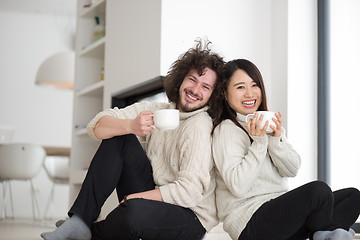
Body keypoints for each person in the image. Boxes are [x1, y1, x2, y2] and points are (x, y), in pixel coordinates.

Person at [41, 39, 225, 240]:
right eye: (192, 79)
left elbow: (189, 191)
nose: (195, 90)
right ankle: (80, 221)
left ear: (212, 95)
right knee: (119, 137)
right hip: (153, 199)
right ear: (181, 79)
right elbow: (95, 126)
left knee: (132, 212)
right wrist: (130, 126)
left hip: (191, 216)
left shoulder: (199, 125)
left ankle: (86, 233)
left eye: (205, 87)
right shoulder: (158, 111)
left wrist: (136, 198)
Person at [211, 58, 360, 240]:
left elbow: (292, 169)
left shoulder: (267, 124)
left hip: (279, 215)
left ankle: (320, 234)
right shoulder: (226, 130)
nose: (250, 93)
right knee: (319, 192)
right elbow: (238, 185)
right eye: (240, 87)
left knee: (353, 196)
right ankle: (323, 234)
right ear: (225, 94)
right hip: (250, 222)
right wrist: (258, 144)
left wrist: (275, 139)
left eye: (254, 85)